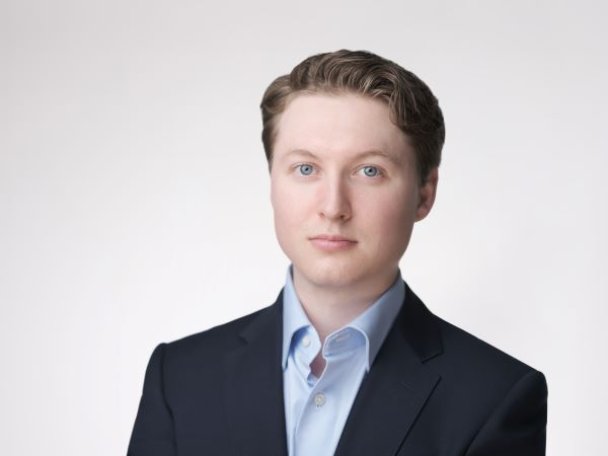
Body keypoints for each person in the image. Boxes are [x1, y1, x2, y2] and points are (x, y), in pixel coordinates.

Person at [127, 50, 547, 456]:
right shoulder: (178, 378)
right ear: (272, 181)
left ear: (424, 193)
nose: (333, 207)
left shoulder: (495, 398)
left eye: (370, 171)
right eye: (305, 168)